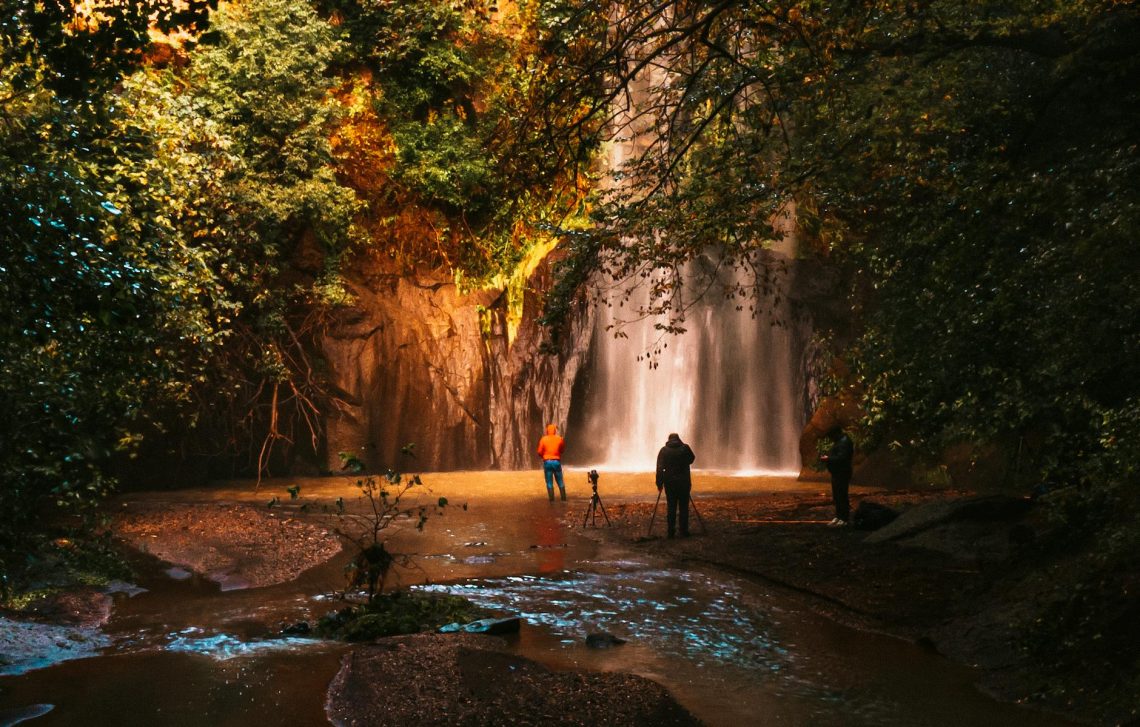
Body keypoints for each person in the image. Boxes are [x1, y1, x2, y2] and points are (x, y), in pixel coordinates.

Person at [655, 432, 696, 538]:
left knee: (671, 506)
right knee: (684, 507)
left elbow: (659, 468)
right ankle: (684, 530)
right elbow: (692, 459)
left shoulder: (664, 451)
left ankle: (671, 531)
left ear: (668, 440)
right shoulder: (685, 448)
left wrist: (659, 483)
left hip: (670, 483)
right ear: (679, 439)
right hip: (684, 482)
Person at [820, 426, 854, 527]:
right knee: (837, 495)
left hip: (842, 472)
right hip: (837, 472)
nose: (831, 439)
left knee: (842, 495)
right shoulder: (841, 441)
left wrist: (828, 459)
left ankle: (844, 518)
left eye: (831, 437)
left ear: (836, 434)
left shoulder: (844, 442)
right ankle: (839, 516)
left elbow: (842, 458)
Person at [536, 424, 566, 502]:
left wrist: (544, 456)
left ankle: (551, 501)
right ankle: (564, 500)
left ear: (547, 431)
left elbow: (539, 452)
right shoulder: (559, 439)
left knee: (549, 482)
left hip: (547, 462)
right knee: (560, 481)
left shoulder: (543, 439)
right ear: (555, 431)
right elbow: (562, 450)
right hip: (556, 462)